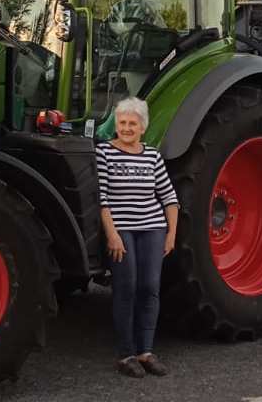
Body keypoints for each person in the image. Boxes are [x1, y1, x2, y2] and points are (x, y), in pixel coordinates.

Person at [96, 97, 179, 378]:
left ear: (143, 127)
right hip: (121, 229)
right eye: (122, 122)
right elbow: (102, 200)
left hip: (153, 227)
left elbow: (169, 198)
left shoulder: (152, 156)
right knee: (126, 287)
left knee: (150, 287)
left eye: (133, 123)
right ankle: (126, 355)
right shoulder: (105, 153)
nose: (127, 128)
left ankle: (146, 351)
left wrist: (171, 233)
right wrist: (112, 235)